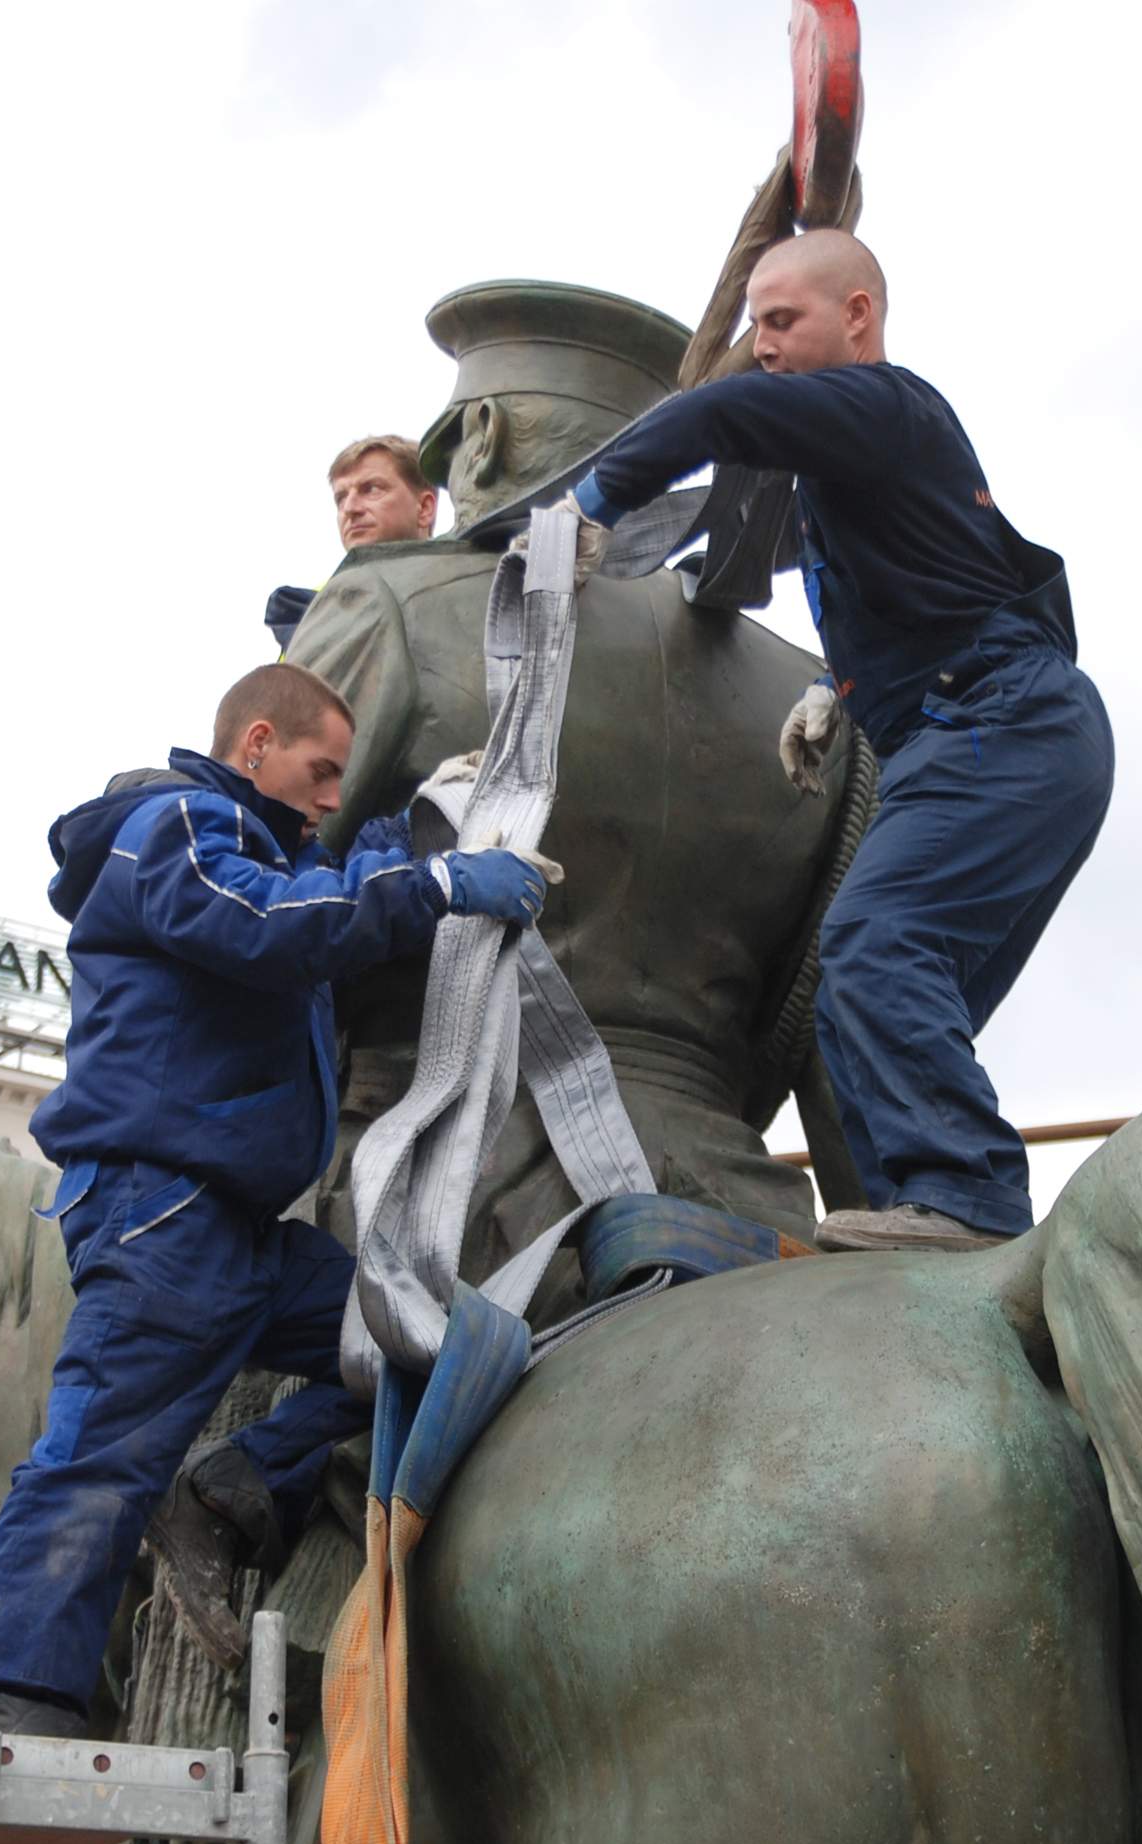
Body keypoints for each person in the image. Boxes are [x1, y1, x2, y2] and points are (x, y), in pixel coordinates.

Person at [0, 664, 547, 1739]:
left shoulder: (259, 852)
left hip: (240, 1236)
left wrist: (413, 833)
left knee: (424, 1344)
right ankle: (7, 1703)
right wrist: (439, 885)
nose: (328, 794)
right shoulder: (168, 827)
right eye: (321, 771)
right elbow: (268, 924)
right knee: (102, 1453)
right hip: (165, 1213)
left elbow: (309, 892)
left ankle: (227, 1492)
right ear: (256, 740)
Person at [287, 280, 846, 1300]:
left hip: (426, 1210)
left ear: (484, 435)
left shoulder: (389, 604)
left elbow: (268, 908)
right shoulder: (805, 689)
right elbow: (825, 1023)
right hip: (736, 1213)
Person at [565, 231, 1116, 1253]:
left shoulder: (884, 406)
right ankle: (907, 1217)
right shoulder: (852, 467)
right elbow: (937, 581)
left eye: (782, 321)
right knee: (866, 1004)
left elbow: (722, 410)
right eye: (756, 325)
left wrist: (592, 501)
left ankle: (965, 1203)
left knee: (876, 942)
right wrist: (836, 687)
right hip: (969, 731)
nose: (762, 346)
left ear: (856, 315)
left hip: (1002, 725)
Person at [265, 436, 445, 650]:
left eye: (371, 489)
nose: (350, 508)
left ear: (424, 508)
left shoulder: (469, 589)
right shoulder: (305, 614)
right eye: (340, 498)